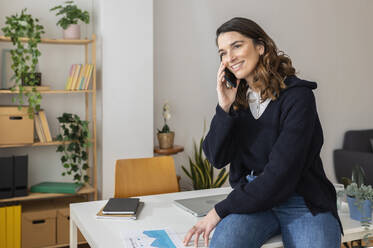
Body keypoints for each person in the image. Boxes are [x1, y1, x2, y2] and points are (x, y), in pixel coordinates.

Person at [183, 17, 342, 248]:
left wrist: (218, 211)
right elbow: (216, 158)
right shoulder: (237, 100)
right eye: (223, 53)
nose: (230, 58)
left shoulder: (298, 97)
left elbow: (281, 174)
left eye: (237, 46)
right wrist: (224, 108)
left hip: (301, 198)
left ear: (261, 46)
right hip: (253, 199)